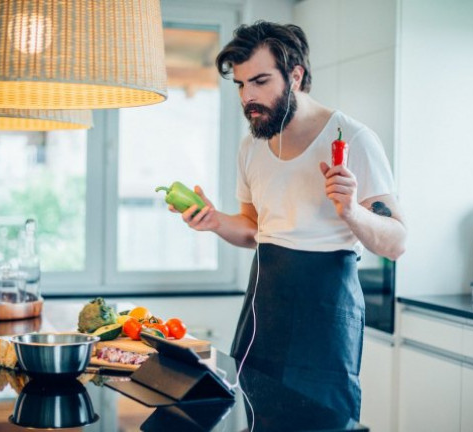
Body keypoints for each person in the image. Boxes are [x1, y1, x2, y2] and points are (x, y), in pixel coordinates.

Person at [168, 21, 406, 419]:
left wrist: (352, 211)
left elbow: (396, 242)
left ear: (295, 75)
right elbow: (253, 228)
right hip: (264, 307)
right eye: (241, 85)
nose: (249, 97)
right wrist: (213, 221)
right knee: (258, 417)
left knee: (323, 421)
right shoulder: (252, 146)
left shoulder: (354, 140)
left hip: (327, 313)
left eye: (260, 81)